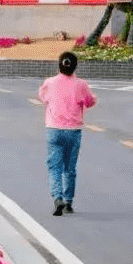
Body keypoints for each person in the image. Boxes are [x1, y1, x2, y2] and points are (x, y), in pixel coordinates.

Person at [38, 50, 97, 216]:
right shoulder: (81, 85)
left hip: (54, 130)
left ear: (59, 66)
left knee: (54, 166)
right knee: (69, 168)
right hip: (73, 131)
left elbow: (43, 97)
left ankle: (57, 198)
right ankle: (68, 201)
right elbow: (90, 101)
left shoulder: (50, 83)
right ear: (75, 66)